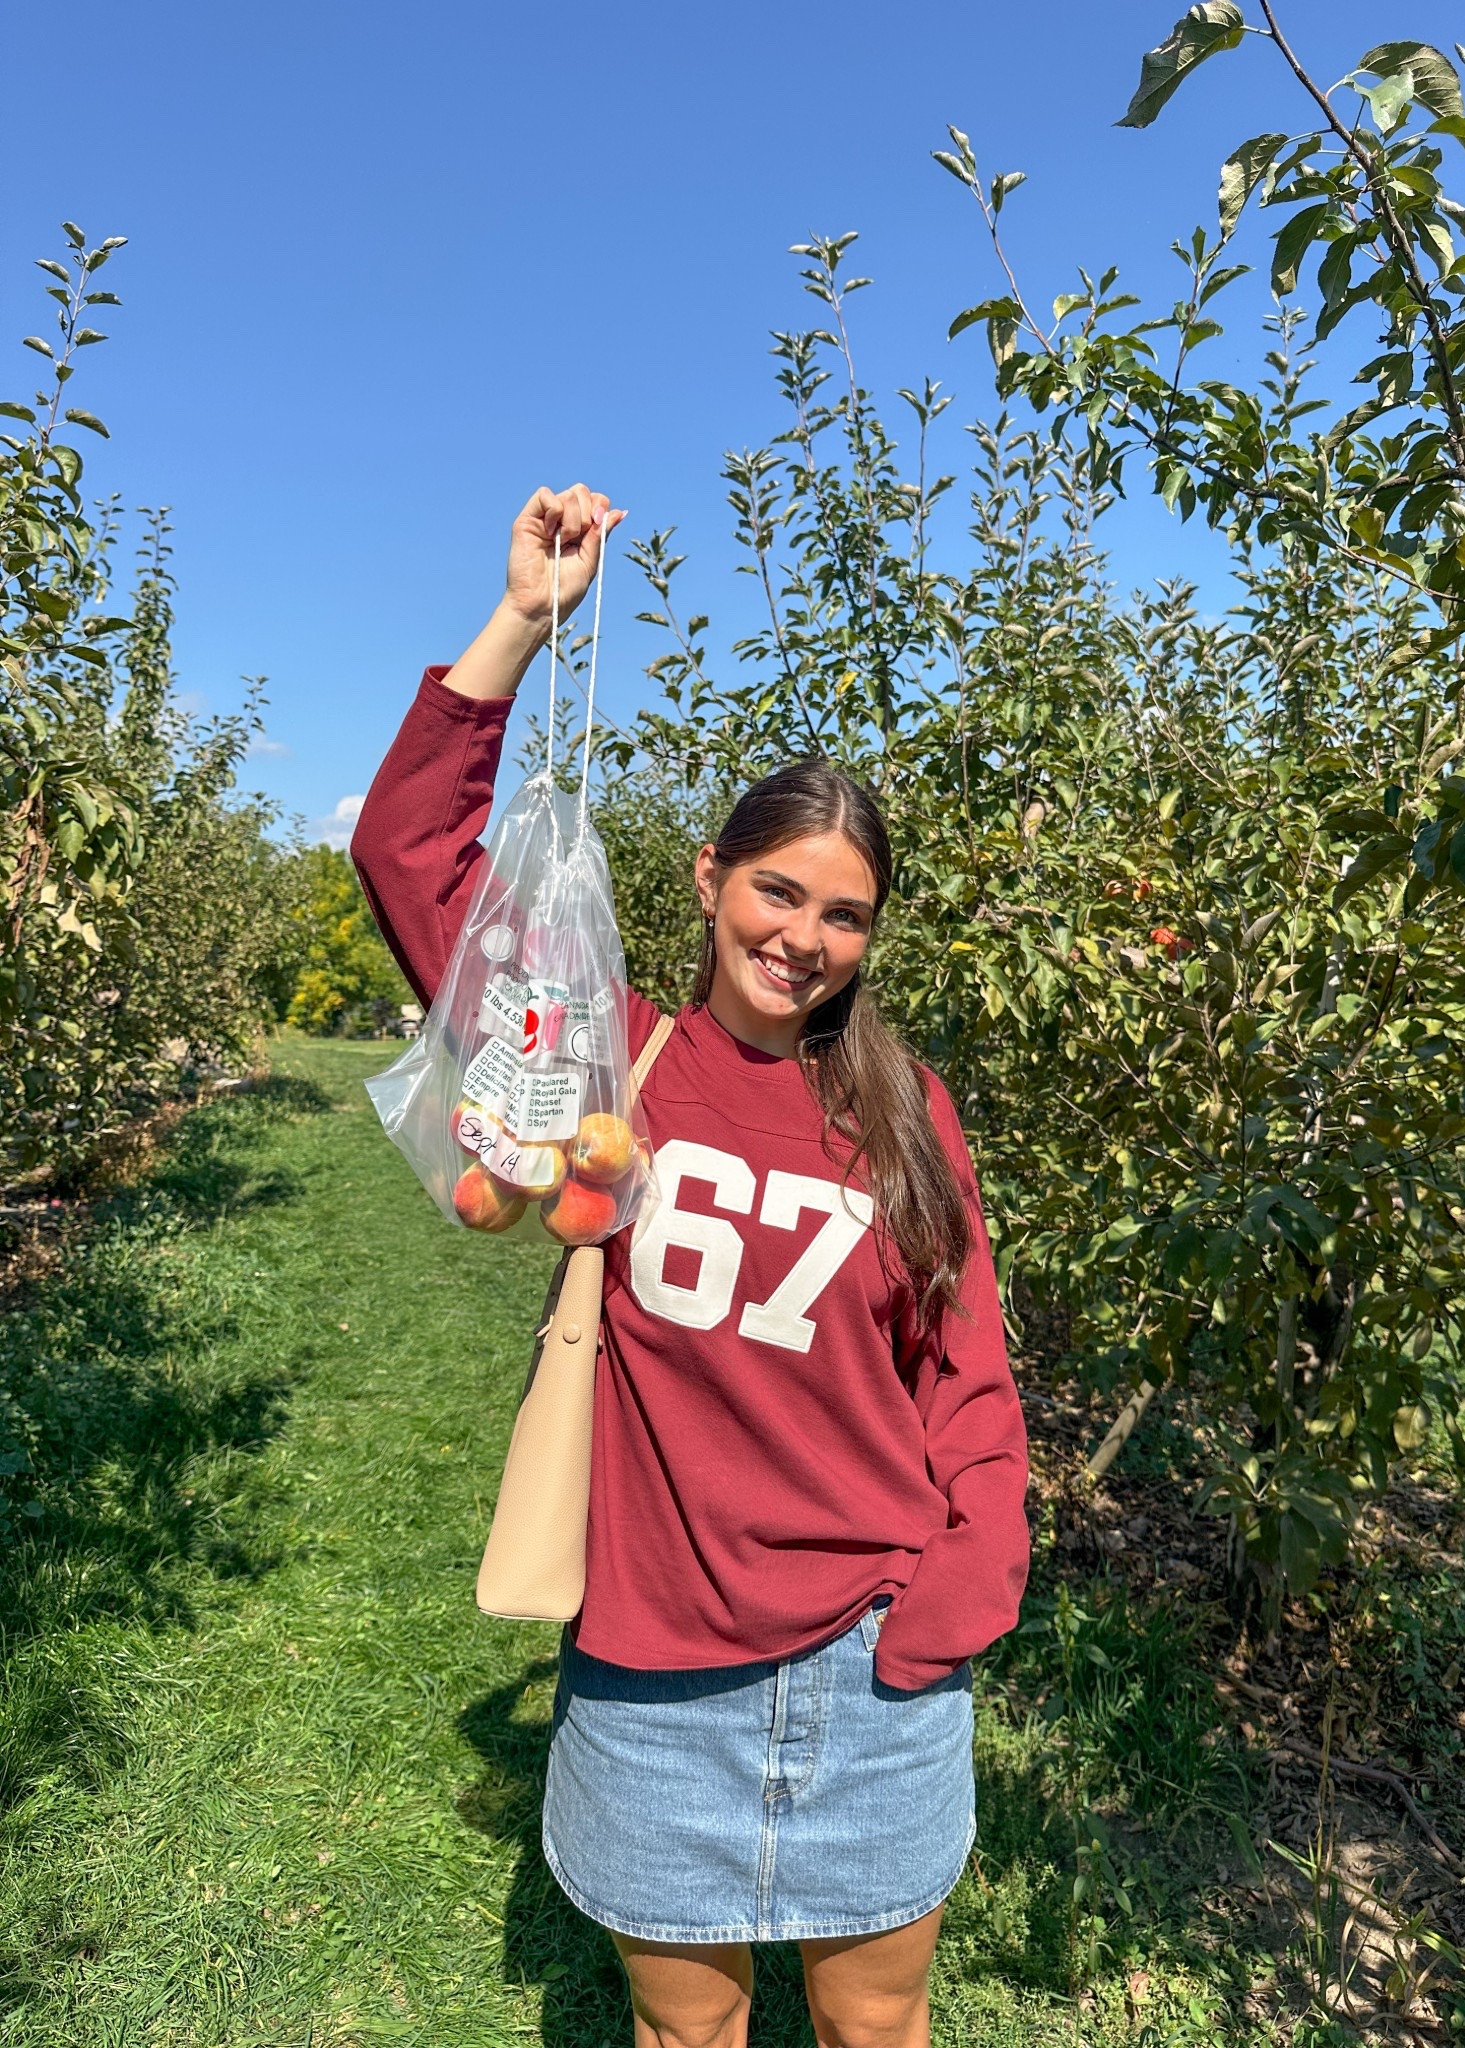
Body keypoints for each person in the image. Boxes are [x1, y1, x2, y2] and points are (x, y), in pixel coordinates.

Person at [352, 483, 1030, 2048]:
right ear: (713, 876)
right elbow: (409, 858)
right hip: (655, 1677)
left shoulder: (903, 1112)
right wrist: (524, 617)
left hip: (879, 1669)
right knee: (685, 2038)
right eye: (778, 890)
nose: (804, 936)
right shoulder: (611, 1060)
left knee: (878, 2032)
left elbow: (966, 1371)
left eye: (846, 915)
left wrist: (954, 1600)